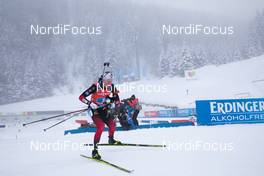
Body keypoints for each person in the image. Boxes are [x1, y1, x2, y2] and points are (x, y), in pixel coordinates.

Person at [79, 71, 121, 159]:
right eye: (107, 80)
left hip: (104, 110)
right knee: (101, 126)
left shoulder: (112, 87)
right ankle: (95, 151)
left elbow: (117, 99)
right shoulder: (95, 86)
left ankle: (111, 139)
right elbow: (81, 97)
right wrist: (89, 103)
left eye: (110, 80)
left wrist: (114, 103)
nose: (109, 83)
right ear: (103, 79)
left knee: (112, 124)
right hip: (95, 111)